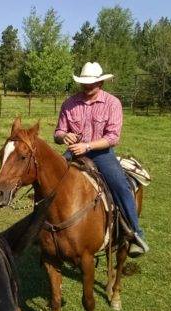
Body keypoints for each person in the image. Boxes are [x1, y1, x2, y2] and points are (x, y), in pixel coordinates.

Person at [54, 61, 150, 257]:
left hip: (102, 154)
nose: (88, 87)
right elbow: (58, 132)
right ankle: (44, 230)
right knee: (51, 182)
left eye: (92, 83)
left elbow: (113, 137)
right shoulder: (69, 104)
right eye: (85, 83)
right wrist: (64, 136)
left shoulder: (112, 103)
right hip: (74, 152)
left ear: (101, 83)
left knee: (121, 186)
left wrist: (87, 146)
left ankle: (135, 234)